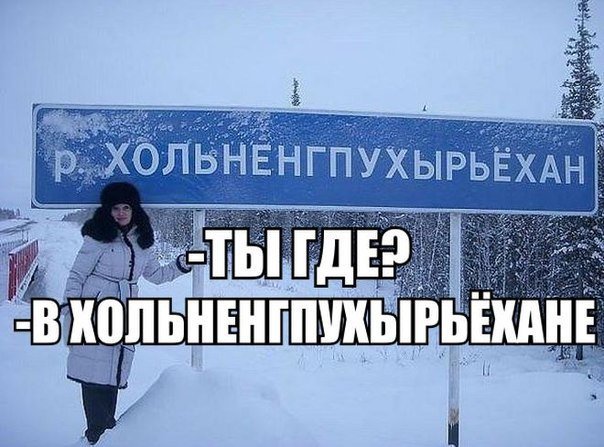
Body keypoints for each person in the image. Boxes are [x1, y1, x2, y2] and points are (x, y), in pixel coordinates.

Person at [62, 182, 191, 445]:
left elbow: (156, 275)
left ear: (134, 210)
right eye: (115, 208)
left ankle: (106, 433)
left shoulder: (142, 241)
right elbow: (76, 276)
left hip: (124, 312)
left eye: (126, 207)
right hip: (94, 312)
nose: (121, 213)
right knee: (92, 374)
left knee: (112, 373)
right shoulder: (97, 237)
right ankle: (96, 435)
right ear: (107, 211)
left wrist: (182, 264)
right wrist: (72, 311)